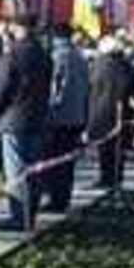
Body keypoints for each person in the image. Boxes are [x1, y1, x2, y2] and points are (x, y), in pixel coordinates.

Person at [0, 16, 51, 232]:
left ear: (17, 27)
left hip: (13, 121)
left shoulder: (13, 55)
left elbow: (1, 89)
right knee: (33, 170)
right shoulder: (43, 54)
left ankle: (18, 216)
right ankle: (30, 214)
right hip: (37, 119)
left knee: (16, 171)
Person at [42, 28, 90, 214]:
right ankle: (64, 197)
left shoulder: (57, 57)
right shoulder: (80, 57)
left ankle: (55, 198)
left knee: (54, 160)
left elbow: (54, 89)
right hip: (76, 116)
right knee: (68, 162)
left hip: (58, 117)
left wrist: (49, 108)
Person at [87, 36, 134, 193]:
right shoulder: (124, 65)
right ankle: (113, 176)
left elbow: (92, 86)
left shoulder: (100, 64)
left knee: (105, 148)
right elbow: (128, 88)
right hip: (117, 111)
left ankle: (107, 176)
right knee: (115, 148)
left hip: (101, 111)